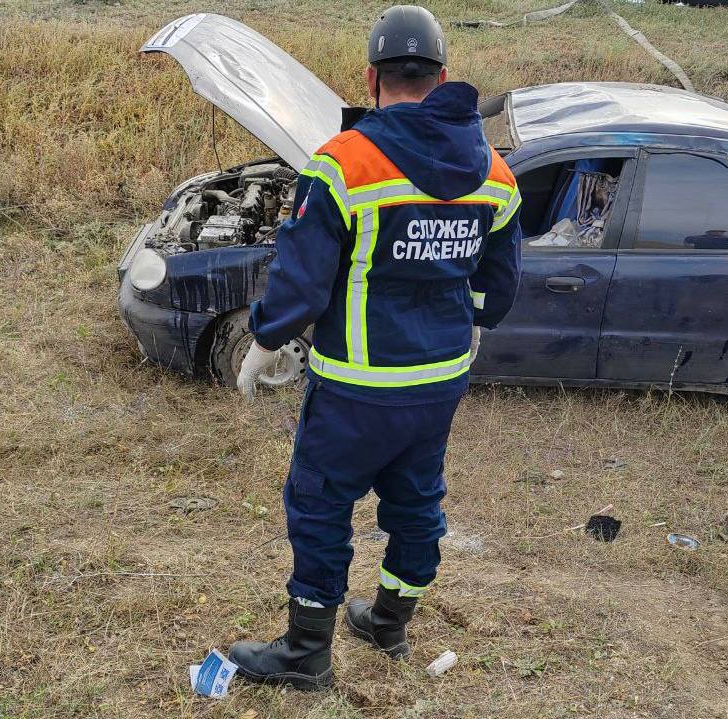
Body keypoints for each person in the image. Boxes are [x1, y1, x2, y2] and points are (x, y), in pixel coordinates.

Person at [225, 5, 523, 691]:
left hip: (356, 387)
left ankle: (305, 654)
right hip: (440, 380)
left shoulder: (343, 163)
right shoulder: (495, 173)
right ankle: (387, 620)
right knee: (417, 503)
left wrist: (265, 339)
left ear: (370, 76)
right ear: (444, 76)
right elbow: (497, 291)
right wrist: (464, 324)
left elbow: (300, 289)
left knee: (321, 505)